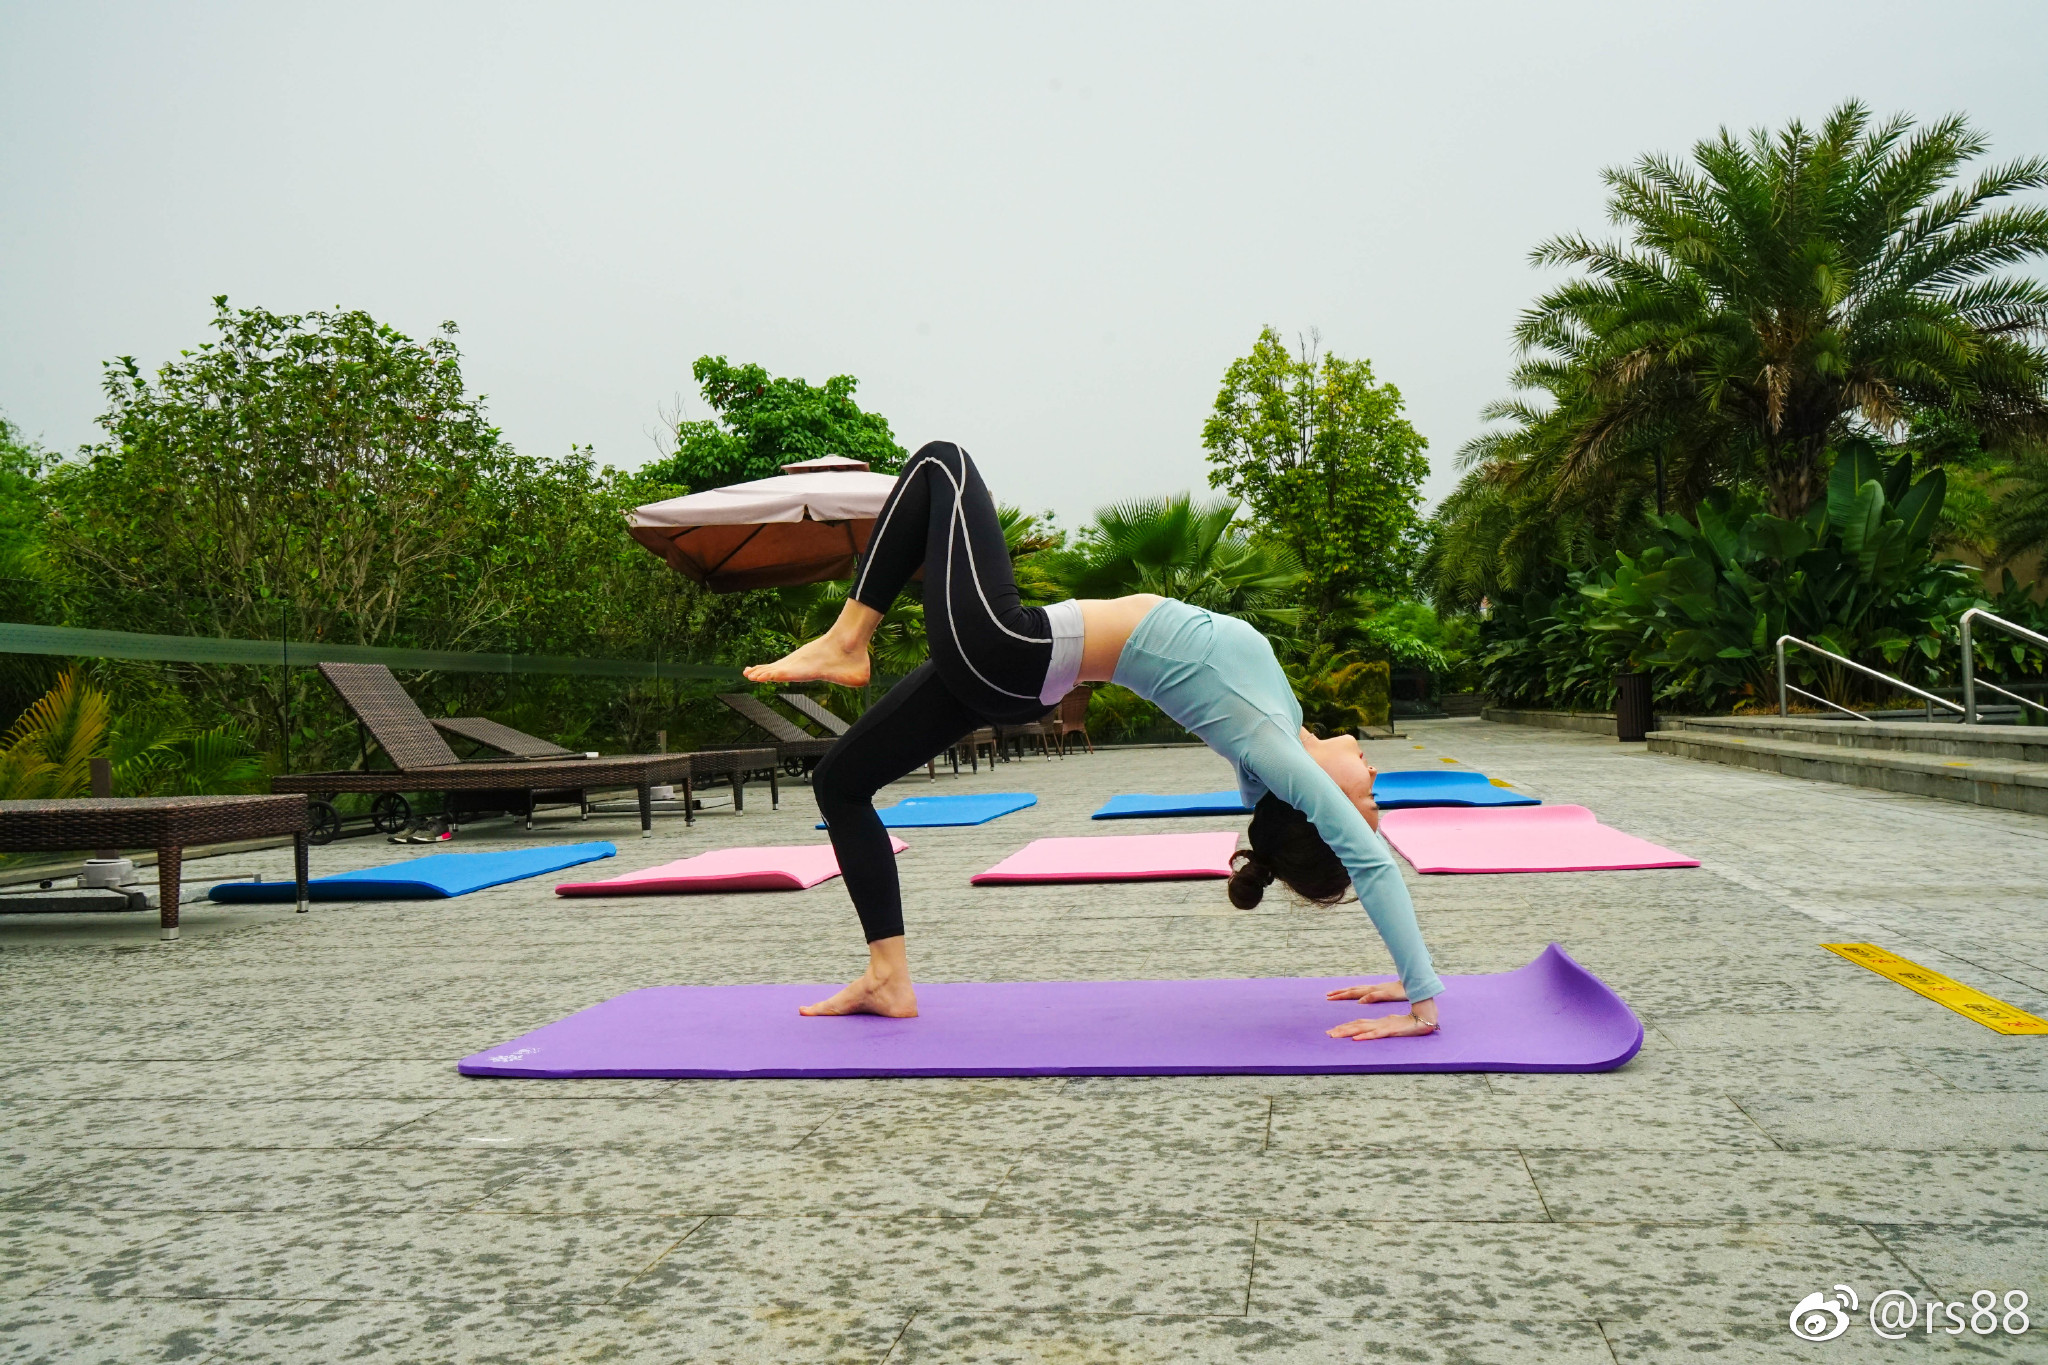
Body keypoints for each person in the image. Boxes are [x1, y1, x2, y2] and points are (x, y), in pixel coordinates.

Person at [745, 440, 1442, 1041]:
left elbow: (1368, 862)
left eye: (1368, 795)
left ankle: (847, 640)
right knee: (840, 783)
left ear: (1325, 807)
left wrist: (1420, 999)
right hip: (1016, 675)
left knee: (942, 464)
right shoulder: (1274, 745)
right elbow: (1341, 846)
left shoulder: (1273, 752)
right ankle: (887, 976)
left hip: (1014, 650)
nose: (1374, 772)